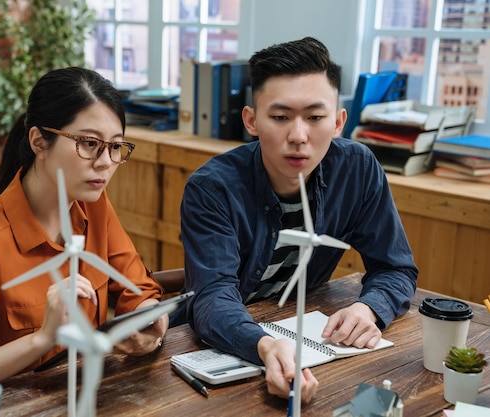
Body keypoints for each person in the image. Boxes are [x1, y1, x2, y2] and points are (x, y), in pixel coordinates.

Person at [0, 67, 168, 407]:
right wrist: (42, 340)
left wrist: (150, 319)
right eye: (89, 143)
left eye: (115, 147)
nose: (105, 163)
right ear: (40, 141)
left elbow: (138, 290)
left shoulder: (94, 208)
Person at [171, 37, 418, 402]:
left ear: (338, 122)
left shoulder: (358, 168)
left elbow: (396, 268)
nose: (298, 136)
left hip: (309, 337)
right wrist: (266, 346)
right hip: (216, 347)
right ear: (251, 121)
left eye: (315, 118)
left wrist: (368, 308)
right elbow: (210, 299)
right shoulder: (213, 188)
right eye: (281, 117)